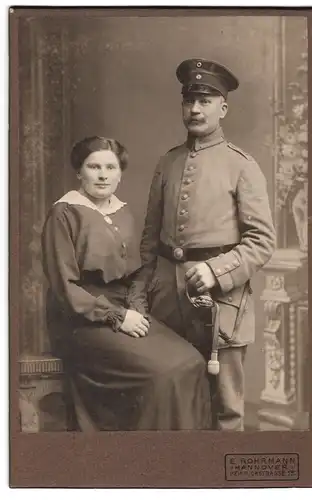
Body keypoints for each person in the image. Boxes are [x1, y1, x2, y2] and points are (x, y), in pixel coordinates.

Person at [140, 58, 276, 431]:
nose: (195, 109)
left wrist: (216, 271)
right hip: (166, 299)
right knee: (174, 397)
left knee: (226, 408)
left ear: (223, 107)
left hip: (220, 303)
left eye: (205, 100)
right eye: (189, 101)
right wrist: (146, 290)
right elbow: (150, 240)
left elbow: (262, 241)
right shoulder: (168, 163)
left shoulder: (242, 165)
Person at [41, 135, 212, 431]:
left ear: (120, 173)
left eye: (111, 167)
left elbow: (136, 274)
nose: (103, 175)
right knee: (163, 373)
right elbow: (65, 288)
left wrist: (135, 308)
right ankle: (146, 460)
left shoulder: (122, 212)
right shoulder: (63, 213)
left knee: (191, 361)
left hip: (126, 309)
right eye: (94, 167)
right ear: (79, 172)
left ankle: (186, 460)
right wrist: (117, 317)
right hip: (81, 319)